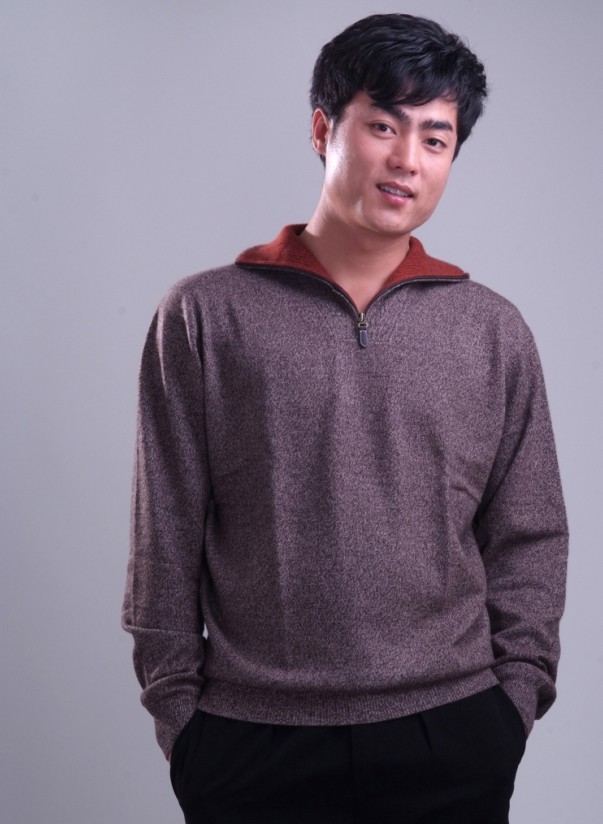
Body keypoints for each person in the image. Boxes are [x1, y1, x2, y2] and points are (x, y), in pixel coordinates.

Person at [122, 13, 568, 824]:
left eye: (435, 138)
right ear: (324, 128)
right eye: (383, 126)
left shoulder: (492, 330)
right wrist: (182, 721)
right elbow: (166, 533)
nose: (407, 159)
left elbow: (529, 533)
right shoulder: (204, 316)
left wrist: (510, 704)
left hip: (452, 730)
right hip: (251, 738)